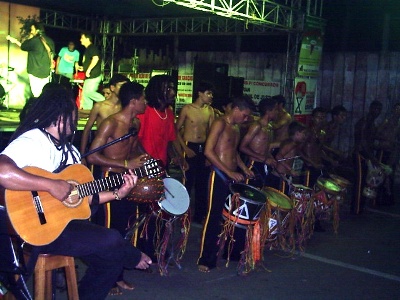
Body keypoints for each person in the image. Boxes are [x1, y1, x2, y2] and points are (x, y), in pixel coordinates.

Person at [0, 84, 152, 300]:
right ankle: (133, 255)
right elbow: (2, 171)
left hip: (60, 226)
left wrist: (119, 193)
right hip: (33, 228)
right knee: (112, 239)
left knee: (111, 256)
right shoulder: (33, 141)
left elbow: (86, 197)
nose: (76, 119)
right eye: (73, 114)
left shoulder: (71, 153)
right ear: (60, 117)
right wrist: (51, 185)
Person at [86, 81, 149, 295]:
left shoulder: (135, 125)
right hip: (107, 178)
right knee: (108, 229)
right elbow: (93, 155)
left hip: (125, 180)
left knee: (125, 227)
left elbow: (130, 151)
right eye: (143, 99)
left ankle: (118, 274)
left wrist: (141, 158)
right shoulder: (111, 123)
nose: (146, 103)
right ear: (133, 102)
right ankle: (106, 276)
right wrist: (124, 165)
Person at [197, 95, 256, 273]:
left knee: (232, 216)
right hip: (219, 174)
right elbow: (208, 151)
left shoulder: (236, 128)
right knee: (213, 217)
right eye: (244, 115)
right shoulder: (220, 123)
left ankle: (230, 252)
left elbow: (234, 152)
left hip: (232, 176)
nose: (246, 119)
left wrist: (244, 168)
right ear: (236, 109)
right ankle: (205, 258)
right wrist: (229, 171)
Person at [136, 75, 188, 265]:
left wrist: (177, 156)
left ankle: (157, 248)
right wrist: (149, 160)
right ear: (159, 90)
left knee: (160, 212)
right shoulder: (146, 111)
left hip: (161, 167)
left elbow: (169, 139)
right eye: (169, 89)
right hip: (145, 168)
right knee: (148, 213)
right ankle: (143, 252)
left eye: (173, 88)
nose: (173, 93)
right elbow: (136, 140)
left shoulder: (168, 112)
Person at [175, 81, 215, 224]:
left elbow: (211, 133)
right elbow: (176, 130)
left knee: (202, 184)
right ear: (200, 93)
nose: (210, 96)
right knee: (187, 182)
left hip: (203, 148)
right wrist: (184, 149)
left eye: (211, 94)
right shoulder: (187, 109)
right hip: (189, 145)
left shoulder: (210, 111)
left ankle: (199, 216)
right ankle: (181, 214)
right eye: (208, 93)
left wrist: (209, 153)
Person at [80, 74, 129, 163]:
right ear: (112, 88)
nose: (124, 89)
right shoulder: (100, 106)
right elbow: (87, 130)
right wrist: (82, 155)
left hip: (119, 154)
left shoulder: (125, 107)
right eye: (121, 86)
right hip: (100, 151)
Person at [239, 96, 278, 188]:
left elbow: (265, 148)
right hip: (253, 164)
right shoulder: (257, 126)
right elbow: (242, 147)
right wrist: (264, 159)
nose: (278, 112)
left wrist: (271, 158)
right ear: (268, 111)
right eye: (275, 110)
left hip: (263, 164)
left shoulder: (269, 127)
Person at [9, 21, 55, 97]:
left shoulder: (34, 40)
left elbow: (24, 46)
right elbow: (52, 54)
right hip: (46, 71)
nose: (31, 31)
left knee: (36, 94)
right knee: (44, 95)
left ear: (37, 30)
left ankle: (37, 108)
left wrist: (29, 38)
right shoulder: (50, 41)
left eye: (32, 30)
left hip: (35, 71)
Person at [352, 100, 383, 214]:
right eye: (375, 109)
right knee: (359, 182)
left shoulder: (371, 122)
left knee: (365, 181)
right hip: (361, 154)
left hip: (366, 154)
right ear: (370, 109)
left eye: (379, 110)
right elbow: (362, 142)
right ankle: (356, 208)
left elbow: (369, 140)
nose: (377, 112)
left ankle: (359, 207)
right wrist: (372, 157)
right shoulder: (365, 122)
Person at [268, 121, 308, 193]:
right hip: (279, 177)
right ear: (297, 133)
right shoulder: (290, 144)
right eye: (304, 133)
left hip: (282, 177)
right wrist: (290, 170)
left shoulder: (292, 143)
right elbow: (278, 156)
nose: (305, 136)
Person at [78, 32, 105, 110]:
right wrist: (84, 68)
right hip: (90, 76)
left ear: (87, 39)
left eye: (82, 38)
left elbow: (96, 58)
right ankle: (88, 113)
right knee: (86, 95)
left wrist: (88, 70)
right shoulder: (88, 49)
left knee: (89, 93)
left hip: (94, 75)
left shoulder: (92, 48)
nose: (80, 40)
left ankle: (106, 102)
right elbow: (90, 62)